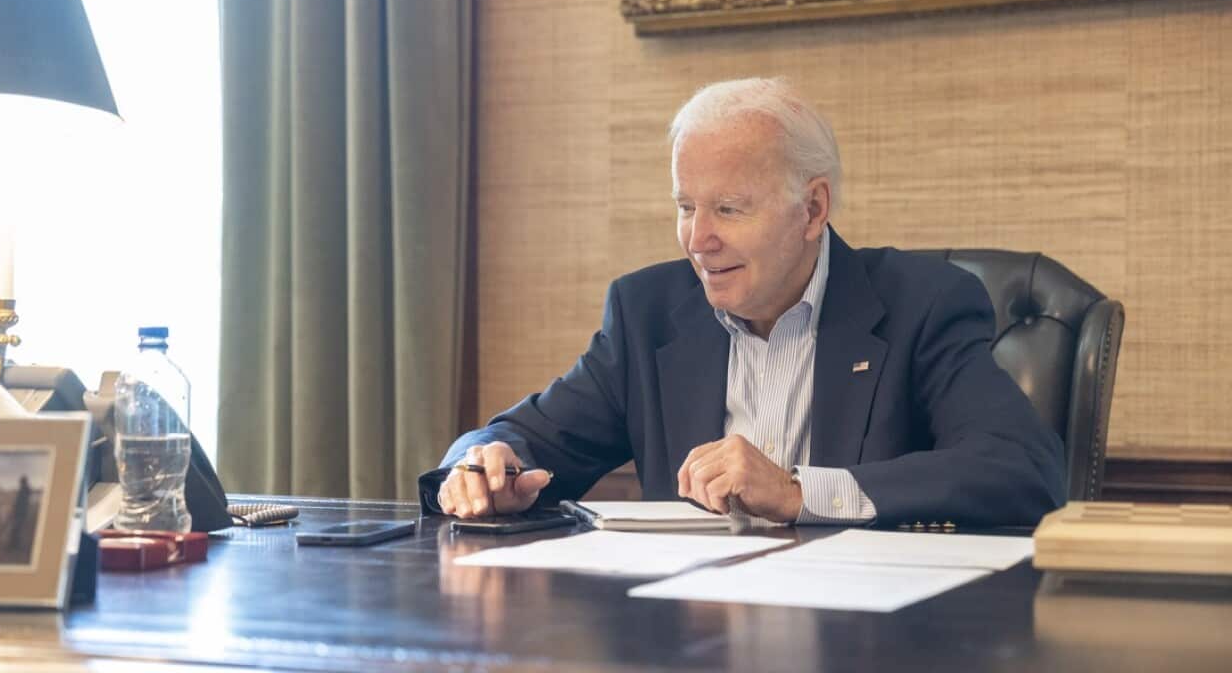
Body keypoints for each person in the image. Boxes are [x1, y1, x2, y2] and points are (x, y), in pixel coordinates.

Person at [420, 77, 1065, 527]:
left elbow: (1022, 470)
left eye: (729, 209)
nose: (698, 240)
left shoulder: (922, 305)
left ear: (812, 209)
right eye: (685, 207)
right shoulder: (648, 313)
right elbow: (519, 436)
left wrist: (796, 492)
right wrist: (482, 467)